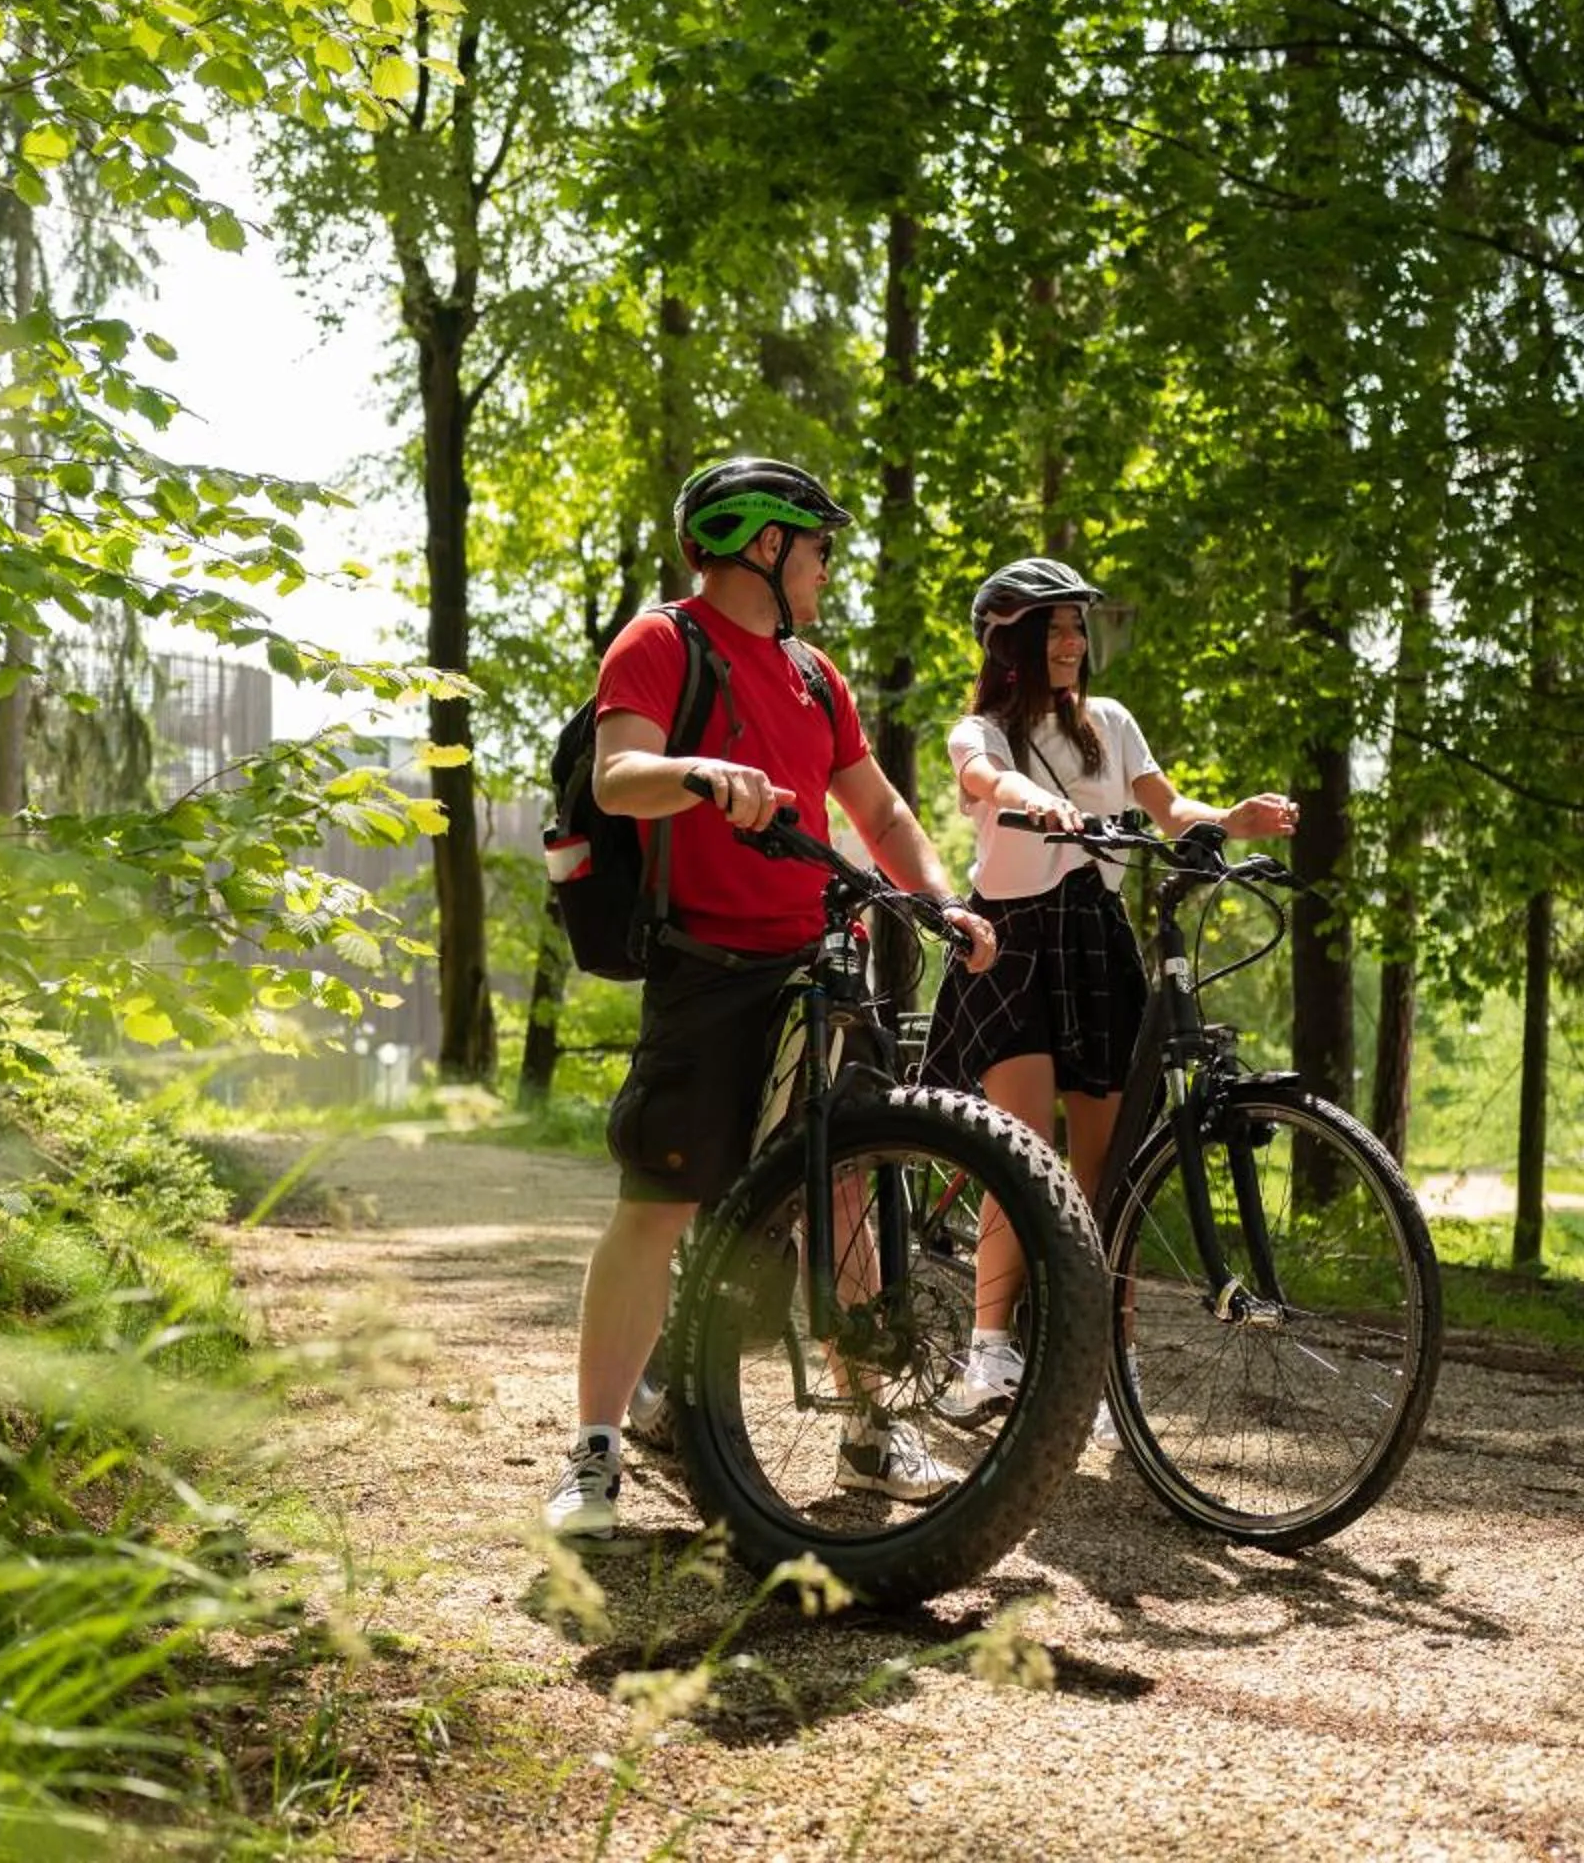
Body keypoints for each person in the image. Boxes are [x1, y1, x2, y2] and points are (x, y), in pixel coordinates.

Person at [544, 456, 1000, 1540]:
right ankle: (595, 1451)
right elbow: (618, 776)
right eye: (819, 547)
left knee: (847, 1186)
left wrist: (942, 903)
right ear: (763, 543)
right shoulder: (663, 643)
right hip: (708, 966)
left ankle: (868, 1420)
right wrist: (703, 774)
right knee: (657, 1205)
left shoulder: (813, 675)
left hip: (818, 961)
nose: (827, 568)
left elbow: (882, 814)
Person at [918, 556, 1295, 1433]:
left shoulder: (1112, 724)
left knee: (1104, 1173)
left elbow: (1168, 810)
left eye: (1078, 628)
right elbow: (983, 777)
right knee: (1022, 1158)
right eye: (1054, 628)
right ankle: (988, 1353)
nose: (1073, 643)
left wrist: (1229, 820)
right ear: (1010, 639)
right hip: (1012, 941)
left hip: (1096, 937)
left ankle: (1103, 1359)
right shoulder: (983, 726)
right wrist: (1032, 801)